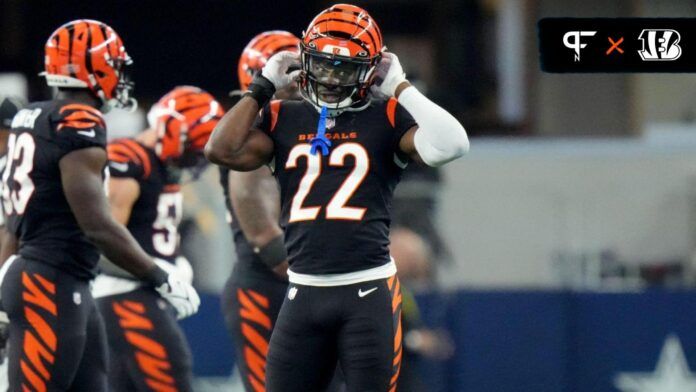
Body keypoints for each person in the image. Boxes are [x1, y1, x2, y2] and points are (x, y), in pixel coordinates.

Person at [205, 3, 469, 390]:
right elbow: (221, 150)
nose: (330, 78)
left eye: (344, 68)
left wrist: (400, 85)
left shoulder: (387, 114)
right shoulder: (282, 117)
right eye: (323, 64)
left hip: (368, 292)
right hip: (303, 290)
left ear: (370, 69)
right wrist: (261, 88)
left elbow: (452, 145)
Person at [0, 19, 199, 391]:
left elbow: (12, 224)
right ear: (95, 69)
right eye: (116, 67)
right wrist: (158, 276)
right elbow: (97, 225)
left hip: (59, 279)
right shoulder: (79, 121)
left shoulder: (32, 117)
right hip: (49, 281)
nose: (120, 76)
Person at [92, 86, 222, 392]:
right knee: (172, 379)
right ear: (173, 130)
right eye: (193, 148)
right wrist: (161, 274)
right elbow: (103, 248)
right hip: (126, 294)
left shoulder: (163, 166)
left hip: (144, 296)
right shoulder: (128, 159)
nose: (194, 160)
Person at [217, 30, 302, 392]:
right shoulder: (254, 132)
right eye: (294, 74)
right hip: (267, 286)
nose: (303, 83)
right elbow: (264, 236)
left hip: (300, 282)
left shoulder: (302, 124)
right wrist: (324, 278)